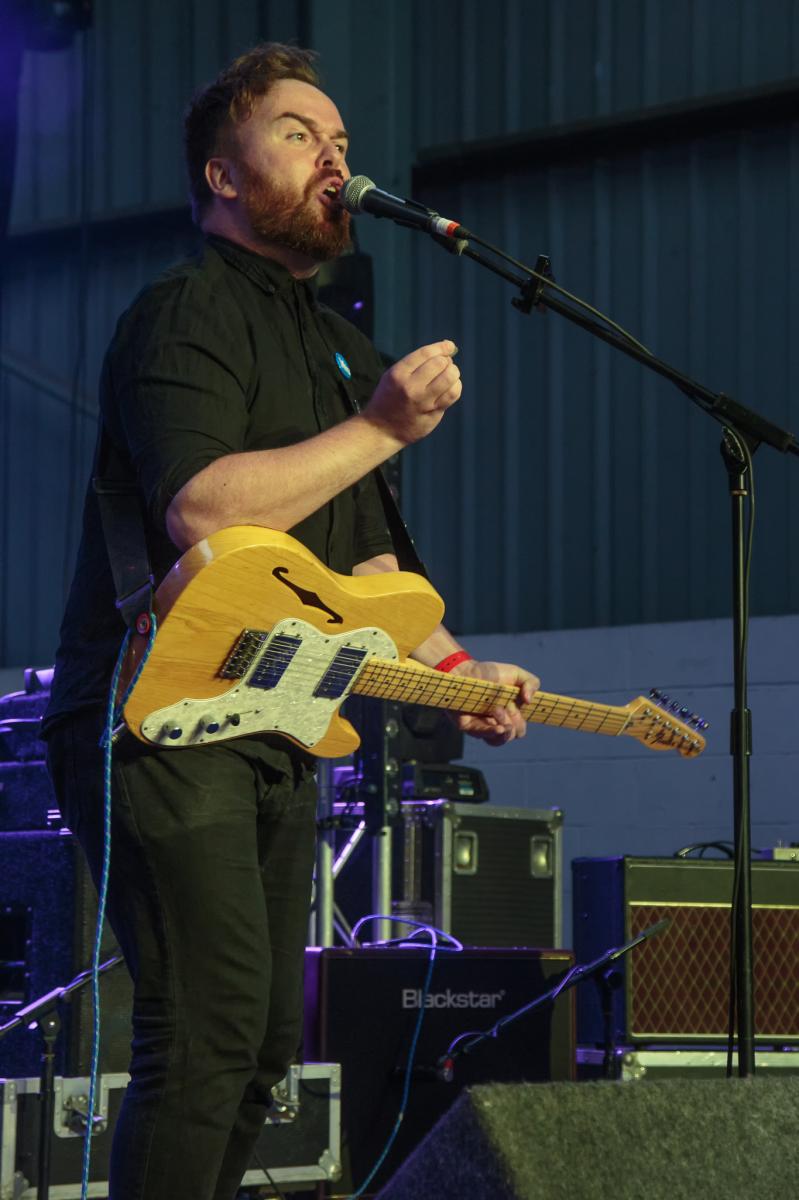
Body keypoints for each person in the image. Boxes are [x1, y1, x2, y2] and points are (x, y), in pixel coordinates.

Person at [43, 43, 539, 1200]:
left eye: (344, 143)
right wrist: (380, 427)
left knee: (262, 1049)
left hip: (274, 716)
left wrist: (461, 672)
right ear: (224, 174)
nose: (337, 159)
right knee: (206, 1033)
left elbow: (364, 560)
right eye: (300, 135)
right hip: (156, 716)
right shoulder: (179, 313)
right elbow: (202, 508)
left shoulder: (338, 346)